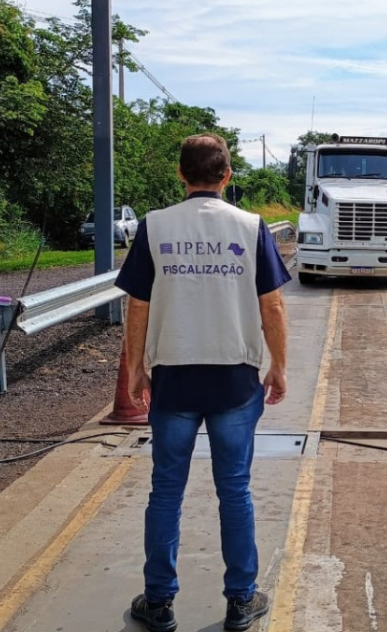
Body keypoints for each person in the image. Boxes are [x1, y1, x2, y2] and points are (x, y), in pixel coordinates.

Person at [114, 133, 291, 632]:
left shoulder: (154, 227)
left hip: (173, 377)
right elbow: (272, 305)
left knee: (166, 490)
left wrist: (135, 370)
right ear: (227, 175)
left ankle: (159, 601)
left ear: (181, 174)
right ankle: (240, 600)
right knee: (234, 490)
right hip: (235, 378)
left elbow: (139, 306)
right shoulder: (251, 227)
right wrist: (279, 365)